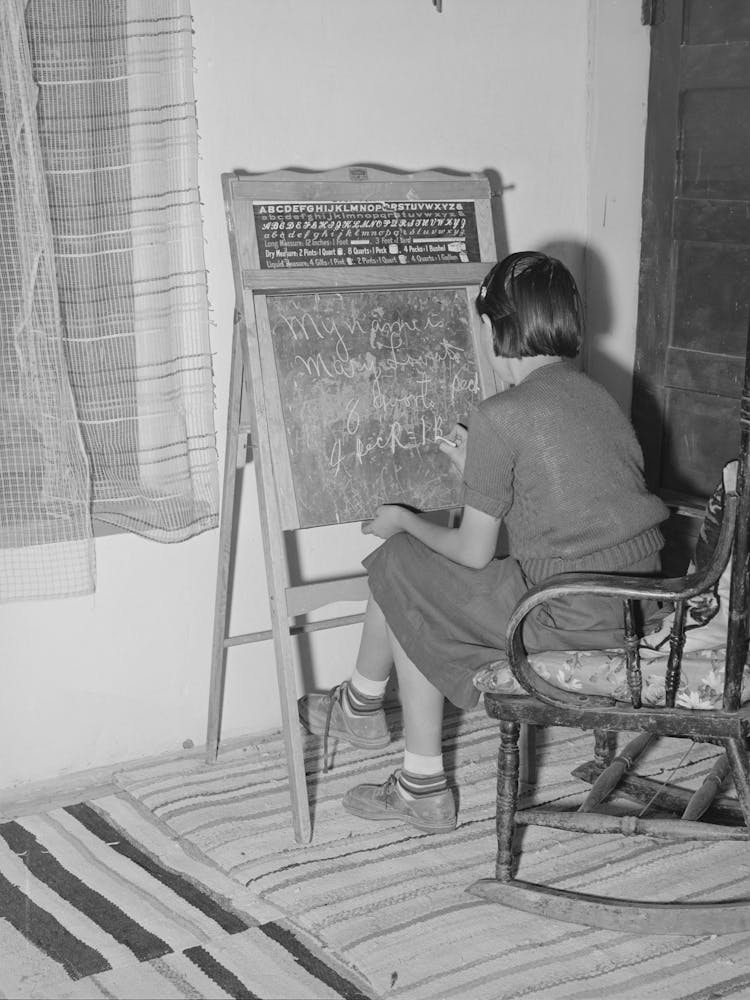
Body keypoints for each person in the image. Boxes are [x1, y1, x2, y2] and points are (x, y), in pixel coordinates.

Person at [298, 250, 670, 834]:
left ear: (499, 328)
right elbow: (565, 506)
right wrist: (479, 470)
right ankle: (364, 710)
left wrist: (402, 518)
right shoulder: (597, 396)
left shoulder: (502, 413)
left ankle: (396, 752)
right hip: (634, 606)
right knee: (413, 575)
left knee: (400, 561)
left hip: (561, 614)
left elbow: (474, 551)